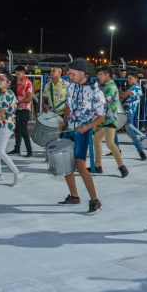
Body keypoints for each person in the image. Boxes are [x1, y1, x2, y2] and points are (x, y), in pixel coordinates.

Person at [57, 58, 105, 215]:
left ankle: (95, 201)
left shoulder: (95, 92)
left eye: (72, 74)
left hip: (83, 131)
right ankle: (74, 196)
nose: (69, 77)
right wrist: (63, 122)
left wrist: (87, 127)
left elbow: (101, 116)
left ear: (82, 73)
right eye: (69, 74)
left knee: (79, 164)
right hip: (69, 129)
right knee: (65, 162)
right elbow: (68, 106)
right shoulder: (71, 86)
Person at [93, 66, 129, 177]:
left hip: (109, 119)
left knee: (110, 143)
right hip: (103, 119)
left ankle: (122, 167)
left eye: (100, 74)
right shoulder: (104, 85)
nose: (98, 77)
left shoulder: (111, 87)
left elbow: (104, 103)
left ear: (107, 75)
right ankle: (98, 166)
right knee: (96, 141)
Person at [119, 74, 147, 160]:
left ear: (136, 79)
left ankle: (140, 150)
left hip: (129, 112)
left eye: (131, 79)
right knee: (116, 128)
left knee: (130, 131)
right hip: (124, 111)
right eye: (128, 79)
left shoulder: (137, 87)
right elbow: (123, 97)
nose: (129, 80)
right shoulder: (130, 88)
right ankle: (116, 149)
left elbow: (127, 93)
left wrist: (117, 93)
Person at [8, 66, 33, 157]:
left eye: (19, 74)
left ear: (23, 73)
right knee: (17, 130)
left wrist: (18, 101)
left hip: (24, 109)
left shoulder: (28, 83)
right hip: (16, 108)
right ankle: (17, 148)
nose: (17, 75)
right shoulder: (15, 82)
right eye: (16, 74)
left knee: (24, 130)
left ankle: (29, 151)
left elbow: (29, 98)